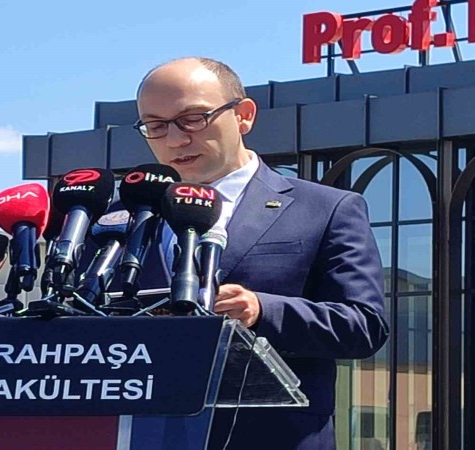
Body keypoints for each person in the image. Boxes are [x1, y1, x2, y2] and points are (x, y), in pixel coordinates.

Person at [132, 57, 389, 449]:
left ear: (244, 116)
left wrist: (262, 310)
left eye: (193, 119)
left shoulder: (326, 209)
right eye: (155, 126)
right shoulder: (127, 218)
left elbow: (364, 326)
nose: (174, 140)